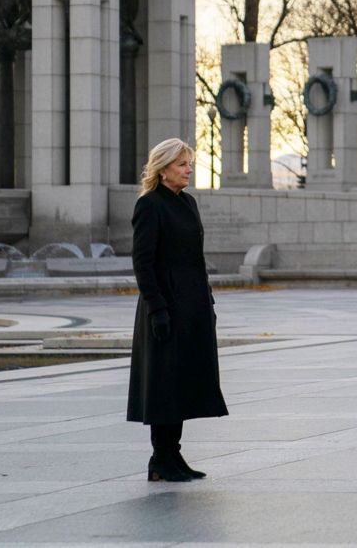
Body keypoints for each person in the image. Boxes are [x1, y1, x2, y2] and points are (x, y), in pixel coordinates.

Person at [127, 138, 228, 482]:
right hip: (165, 307)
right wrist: (157, 309)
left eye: (189, 164)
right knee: (164, 384)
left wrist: (208, 302)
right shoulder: (149, 205)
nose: (188, 170)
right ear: (163, 168)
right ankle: (161, 458)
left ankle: (174, 455)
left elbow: (196, 261)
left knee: (183, 381)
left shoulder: (188, 203)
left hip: (192, 306)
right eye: (182, 164)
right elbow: (143, 263)